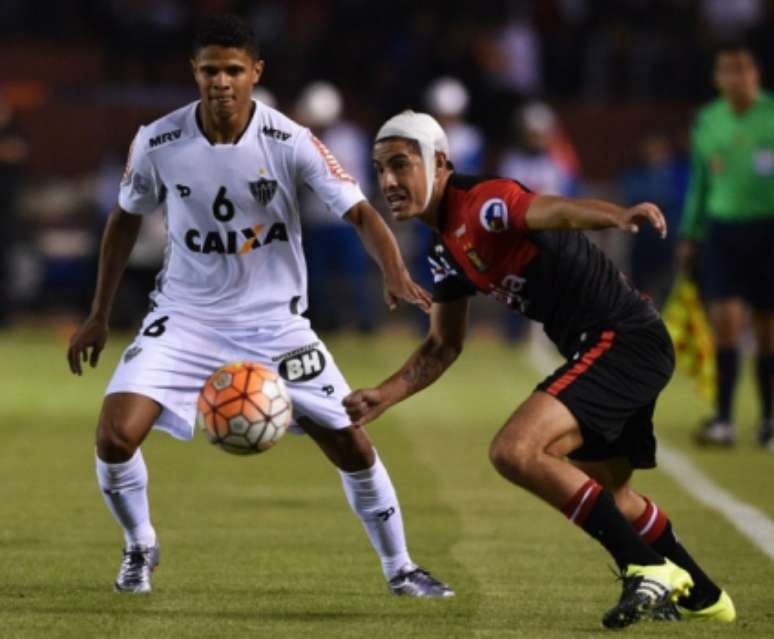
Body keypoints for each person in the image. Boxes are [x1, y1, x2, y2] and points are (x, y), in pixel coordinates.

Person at [66, 15, 452, 599]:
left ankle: (400, 568)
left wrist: (394, 271)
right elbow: (124, 219)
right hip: (184, 318)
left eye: (234, 70)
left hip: (275, 325)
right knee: (114, 436)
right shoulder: (158, 140)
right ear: (193, 72)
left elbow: (361, 213)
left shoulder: (290, 141)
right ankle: (140, 544)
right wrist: (98, 314)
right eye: (210, 70)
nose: (222, 82)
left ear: (256, 73)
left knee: (348, 436)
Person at [344, 111, 735, 628]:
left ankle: (645, 565)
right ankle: (705, 596)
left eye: (400, 164)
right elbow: (442, 345)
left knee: (516, 450)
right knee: (611, 494)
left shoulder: (483, 202)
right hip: (617, 346)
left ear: (439, 163)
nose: (389, 182)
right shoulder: (444, 251)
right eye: (381, 170)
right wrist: (384, 395)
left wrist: (612, 215)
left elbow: (554, 209)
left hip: (621, 339)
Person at [679, 44, 774, 448]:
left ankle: (769, 420)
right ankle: (724, 418)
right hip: (721, 231)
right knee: (726, 324)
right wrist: (689, 233)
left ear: (756, 74)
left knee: (767, 330)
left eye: (743, 70)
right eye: (727, 71)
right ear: (718, 78)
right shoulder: (707, 120)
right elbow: (699, 182)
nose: (736, 78)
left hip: (768, 230)